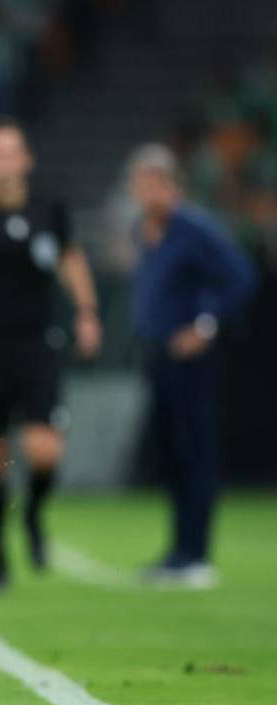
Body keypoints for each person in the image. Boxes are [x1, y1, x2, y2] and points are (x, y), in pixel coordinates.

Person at [0, 120, 102, 589]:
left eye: (10, 152)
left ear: (26, 160)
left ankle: (34, 514)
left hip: (39, 342)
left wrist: (87, 312)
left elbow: (70, 258)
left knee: (44, 451)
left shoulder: (48, 208)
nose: (2, 161)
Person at [126, 143, 256, 588]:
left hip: (191, 359)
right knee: (171, 452)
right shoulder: (143, 230)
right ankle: (179, 550)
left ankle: (197, 553)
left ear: (171, 185)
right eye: (140, 185)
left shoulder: (195, 228)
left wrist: (205, 325)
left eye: (153, 185)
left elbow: (240, 276)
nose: (146, 194)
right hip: (158, 354)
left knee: (195, 450)